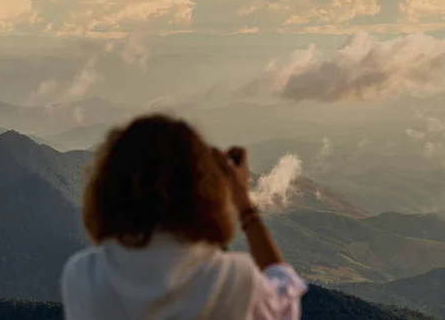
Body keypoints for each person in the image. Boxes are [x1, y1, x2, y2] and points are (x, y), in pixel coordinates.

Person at [61, 113, 307, 320]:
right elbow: (286, 297)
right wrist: (243, 205)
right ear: (202, 192)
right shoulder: (234, 279)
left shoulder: (84, 277)